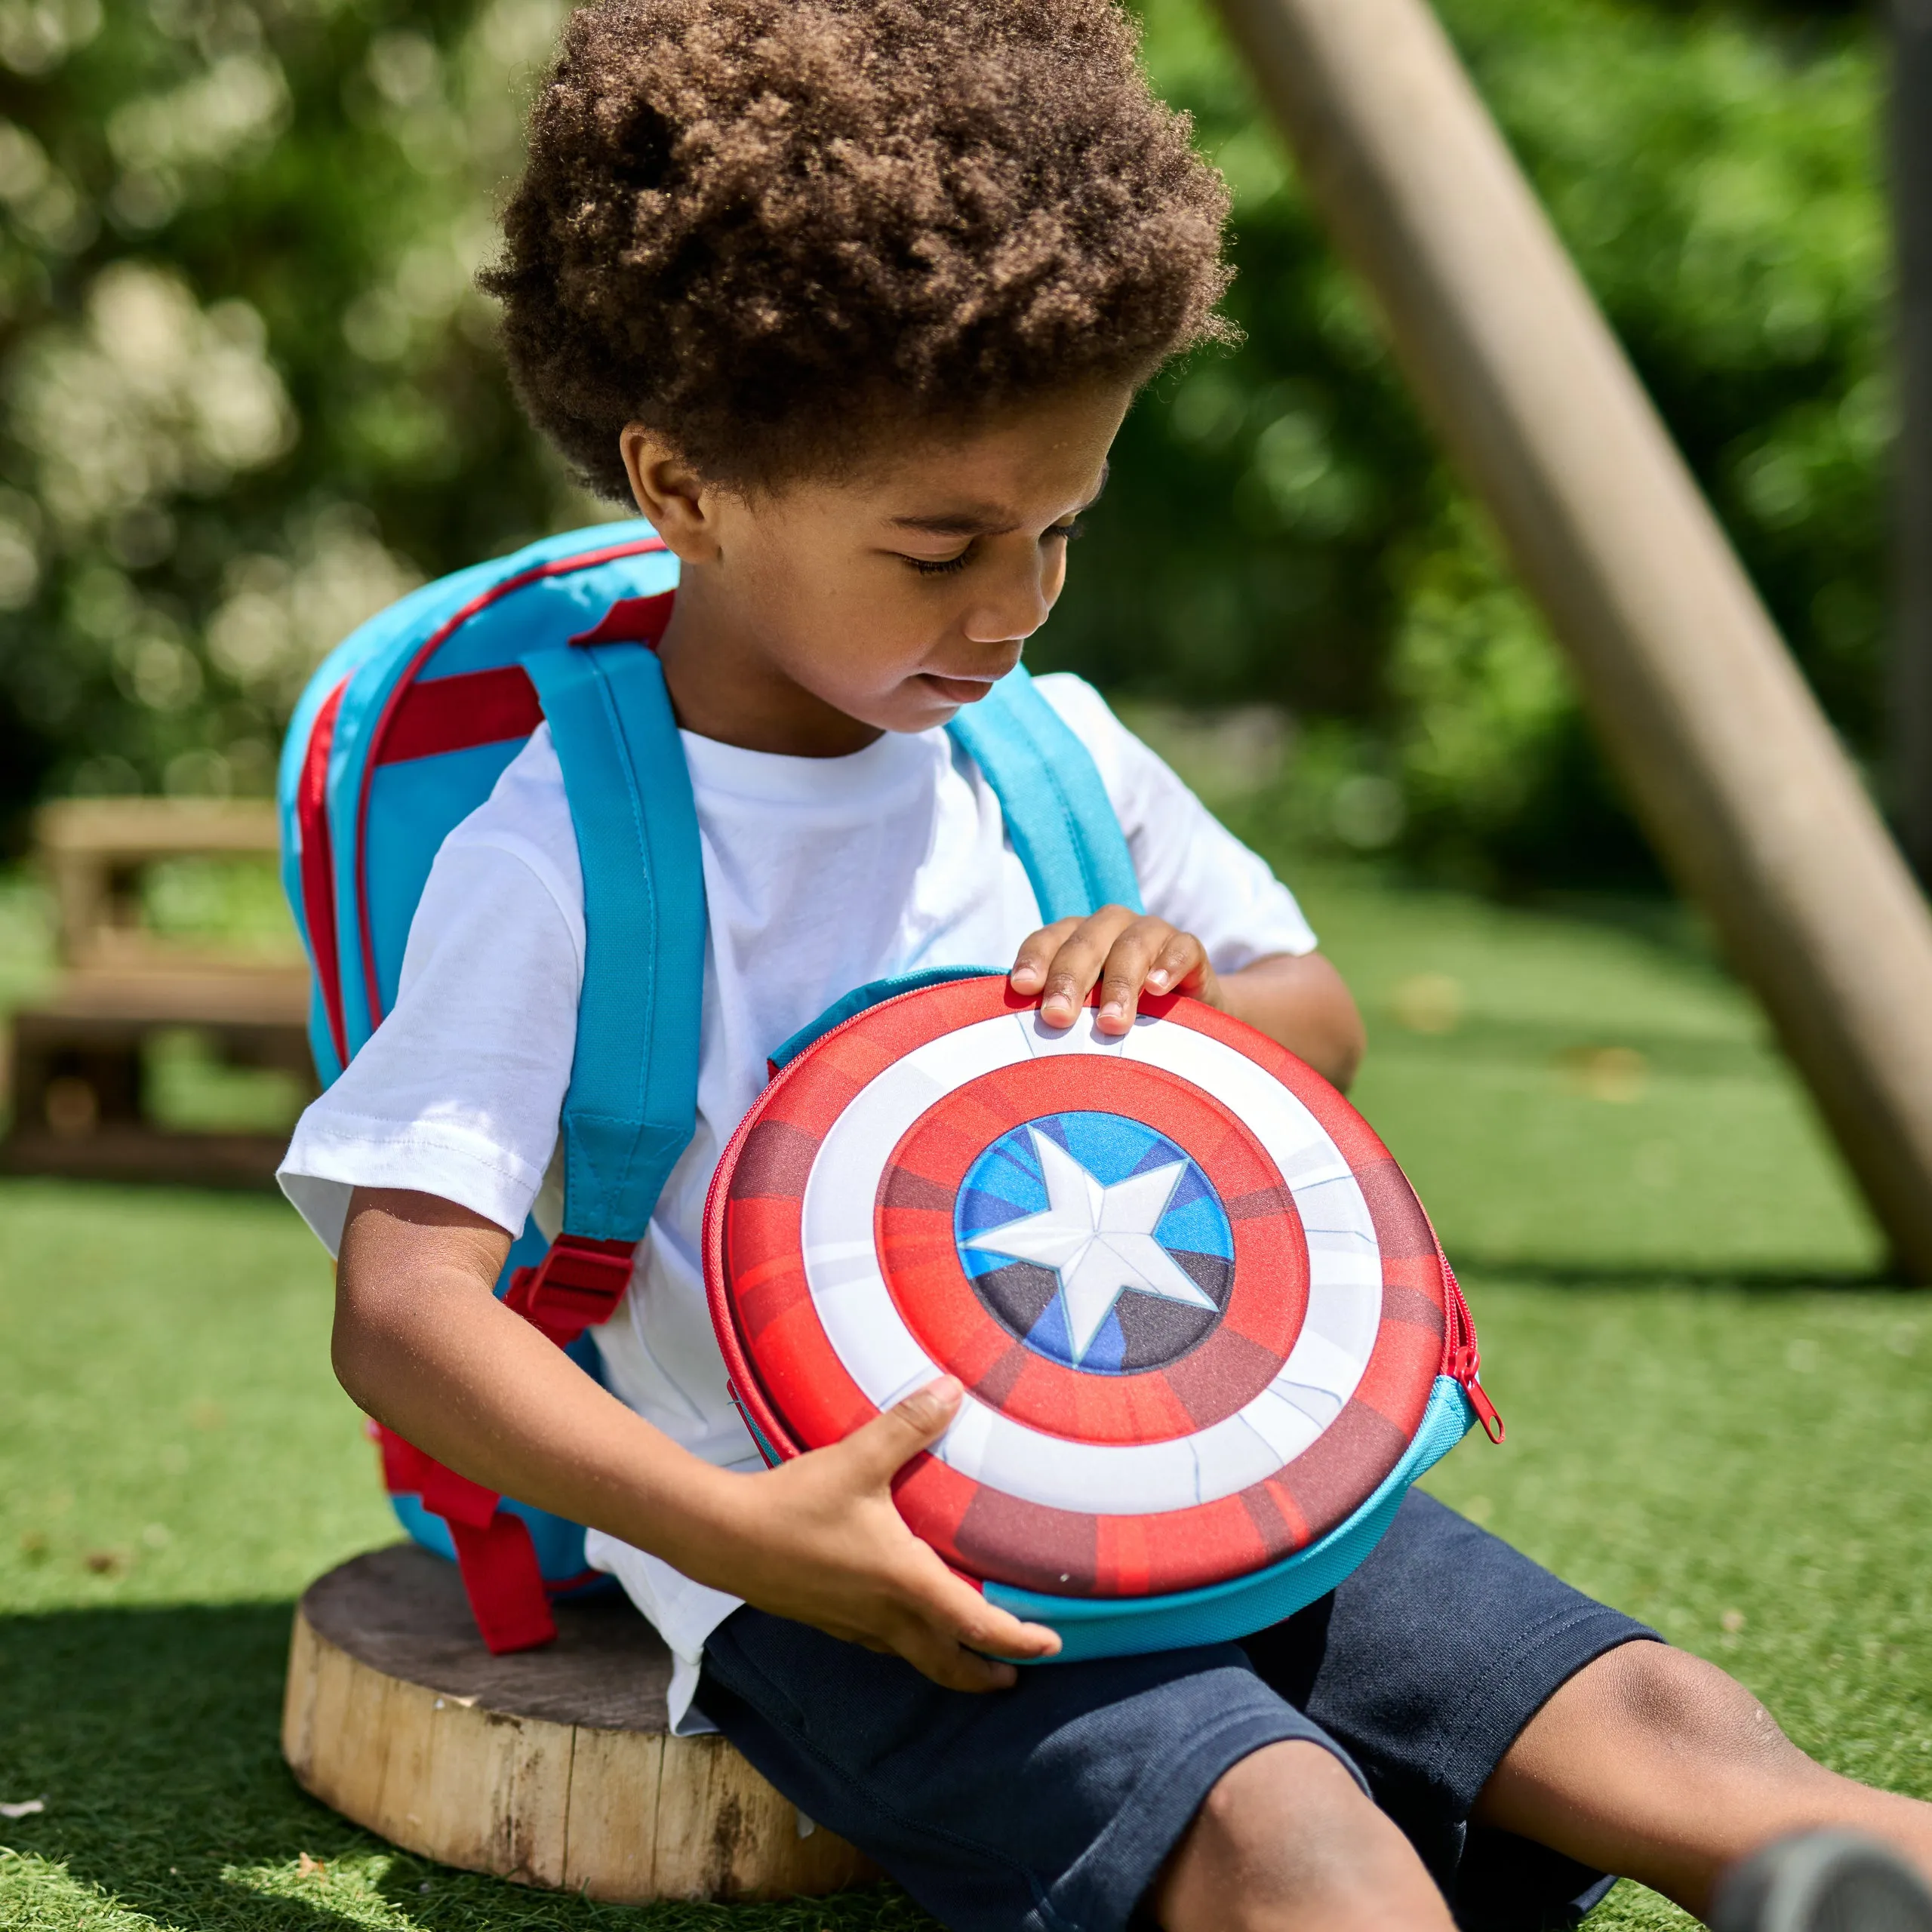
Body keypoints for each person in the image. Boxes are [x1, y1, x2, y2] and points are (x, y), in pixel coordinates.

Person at [278, 3, 1932, 1926]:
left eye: (1061, 525)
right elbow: (405, 1306)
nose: (1012, 602)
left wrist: (1190, 995)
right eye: (938, 543)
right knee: (1288, 1842)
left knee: (1664, 1721)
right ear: (682, 488)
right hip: (857, 1566)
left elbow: (1313, 1022)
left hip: (1200, 1479)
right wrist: (746, 1534)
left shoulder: (1051, 757)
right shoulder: (566, 845)